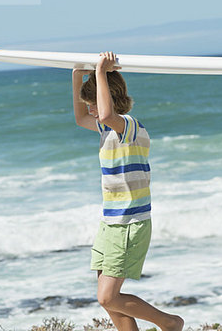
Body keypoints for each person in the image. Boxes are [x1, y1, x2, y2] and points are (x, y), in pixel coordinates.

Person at [72, 52, 184, 331]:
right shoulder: (105, 129)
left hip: (129, 223)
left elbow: (107, 112)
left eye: (93, 104)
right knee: (108, 300)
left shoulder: (128, 126)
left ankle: (170, 322)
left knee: (108, 295)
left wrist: (99, 72)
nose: (91, 111)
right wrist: (76, 75)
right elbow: (78, 118)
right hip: (111, 222)